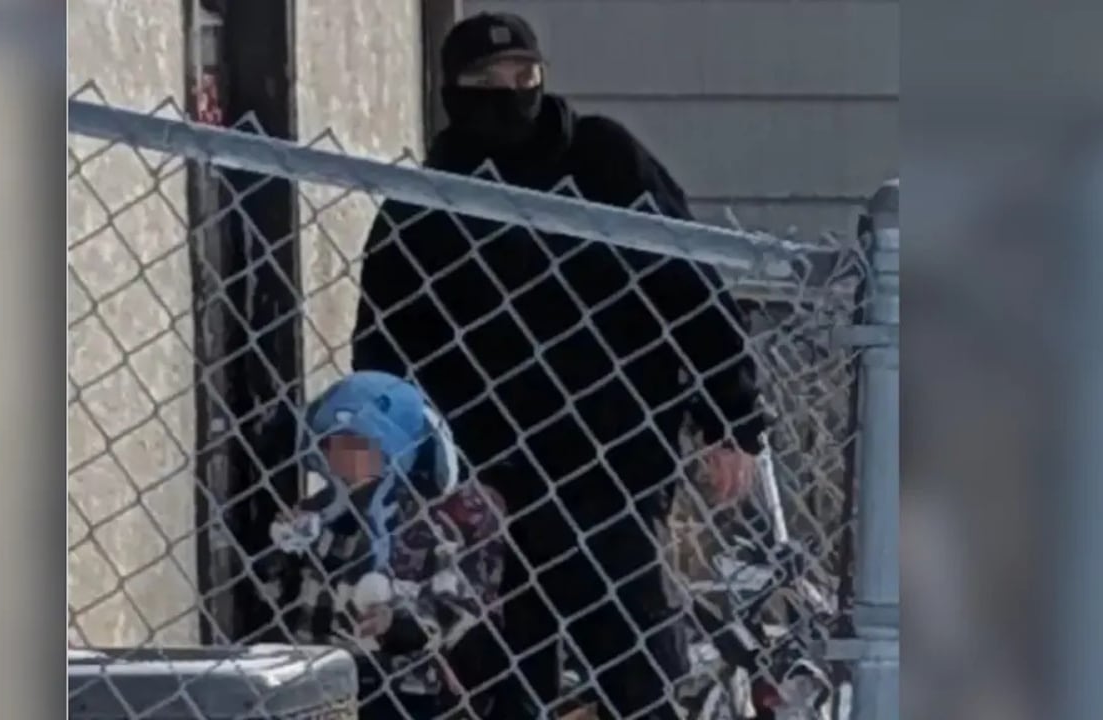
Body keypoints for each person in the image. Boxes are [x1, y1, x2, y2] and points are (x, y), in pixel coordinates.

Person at [350, 12, 768, 720]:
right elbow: (385, 340)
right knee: (500, 682)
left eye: (524, 76)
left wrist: (733, 417)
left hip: (609, 468)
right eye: (486, 81)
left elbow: (688, 287)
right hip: (486, 490)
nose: (509, 92)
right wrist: (384, 453)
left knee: (639, 677)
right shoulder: (426, 200)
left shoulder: (603, 161)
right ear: (451, 90)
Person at [263, 370, 508, 720]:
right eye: (334, 443)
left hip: (396, 685)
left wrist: (399, 623)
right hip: (313, 671)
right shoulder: (322, 515)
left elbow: (455, 603)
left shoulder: (426, 523)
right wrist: (284, 550)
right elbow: (281, 590)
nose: (343, 458)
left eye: (359, 446)